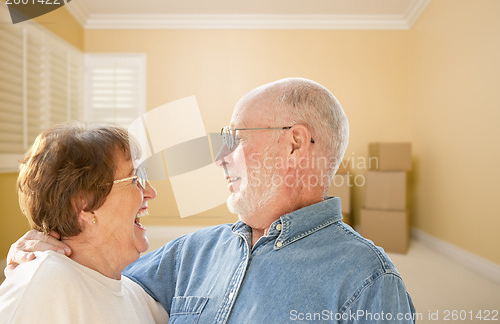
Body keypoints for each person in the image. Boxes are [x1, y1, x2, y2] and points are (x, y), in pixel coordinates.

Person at [7, 78, 415, 323]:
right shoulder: (192, 254)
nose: (220, 158)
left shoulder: (369, 283)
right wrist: (46, 248)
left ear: (293, 144)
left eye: (234, 139)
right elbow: (101, 285)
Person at [0, 123, 169, 323]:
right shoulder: (45, 284)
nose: (151, 192)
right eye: (135, 179)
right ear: (85, 203)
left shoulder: (140, 298)